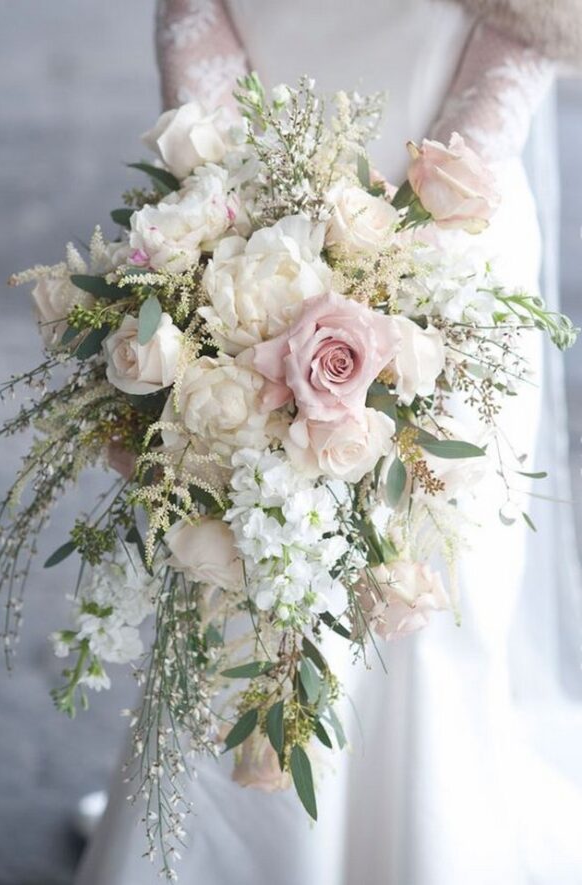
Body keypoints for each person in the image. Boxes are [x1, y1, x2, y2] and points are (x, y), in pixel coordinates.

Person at [75, 2, 582, 882]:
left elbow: (536, 23)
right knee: (231, 565)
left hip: (455, 246)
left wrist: (407, 255)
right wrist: (224, 214)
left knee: (430, 588)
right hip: (249, 234)